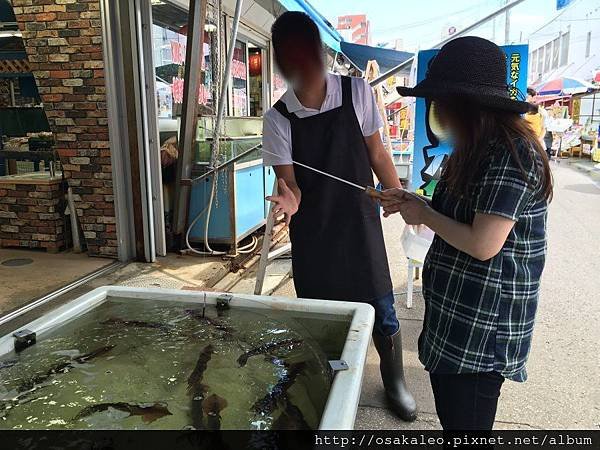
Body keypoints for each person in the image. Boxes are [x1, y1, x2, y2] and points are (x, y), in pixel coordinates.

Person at [381, 37, 552, 431]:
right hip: (454, 315)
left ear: (465, 105)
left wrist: (423, 211)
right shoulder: (472, 148)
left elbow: (482, 243)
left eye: (440, 103)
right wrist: (411, 200)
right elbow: (448, 213)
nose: (436, 112)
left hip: (481, 330)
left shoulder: (513, 153)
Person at [262, 11, 417, 421]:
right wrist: (290, 202)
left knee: (382, 307)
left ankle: (393, 380)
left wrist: (401, 198)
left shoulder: (357, 91)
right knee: (319, 314)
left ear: (319, 51)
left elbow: (378, 153)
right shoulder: (277, 119)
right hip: (313, 229)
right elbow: (289, 183)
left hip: (359, 223)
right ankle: (325, 379)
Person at [525, 87, 553, 160]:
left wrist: (538, 140)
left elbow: (544, 128)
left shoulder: (541, 111)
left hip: (537, 143)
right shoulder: (520, 110)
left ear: (533, 97)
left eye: (527, 96)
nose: (525, 99)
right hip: (524, 142)